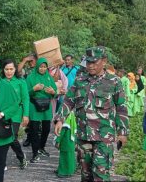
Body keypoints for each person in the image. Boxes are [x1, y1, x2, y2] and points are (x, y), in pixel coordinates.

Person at [54, 46, 129, 181]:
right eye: (88, 62)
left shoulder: (114, 82)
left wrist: (122, 132)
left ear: (104, 61)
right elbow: (68, 101)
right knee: (86, 175)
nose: (91, 66)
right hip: (84, 136)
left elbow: (121, 108)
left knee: (101, 175)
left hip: (103, 138)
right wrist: (60, 119)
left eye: (94, 62)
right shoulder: (80, 80)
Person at [26, 57, 57, 163]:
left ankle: (41, 147)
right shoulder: (31, 77)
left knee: (47, 129)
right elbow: (25, 93)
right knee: (34, 130)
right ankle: (35, 152)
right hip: (34, 105)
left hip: (46, 106)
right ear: (37, 66)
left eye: (44, 67)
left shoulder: (49, 77)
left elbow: (55, 92)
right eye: (41, 67)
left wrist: (53, 92)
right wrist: (34, 89)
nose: (42, 69)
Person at [1, 59, 29, 169]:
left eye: (11, 69)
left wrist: (25, 115)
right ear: (3, 70)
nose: (9, 72)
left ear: (15, 69)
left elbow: (25, 98)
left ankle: (21, 157)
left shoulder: (20, 81)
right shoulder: (0, 81)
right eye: (6, 69)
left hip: (16, 114)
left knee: (12, 137)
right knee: (2, 137)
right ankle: (2, 162)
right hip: (2, 114)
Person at [17, 53, 37, 147]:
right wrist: (24, 60)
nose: (30, 63)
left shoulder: (40, 69)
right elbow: (17, 71)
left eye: (31, 61)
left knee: (36, 123)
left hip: (37, 98)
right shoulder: (28, 70)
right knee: (29, 121)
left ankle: (36, 142)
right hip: (27, 96)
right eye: (29, 61)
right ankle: (29, 138)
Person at [54, 111, 77, 178]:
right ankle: (70, 170)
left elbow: (60, 134)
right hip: (71, 144)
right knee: (71, 158)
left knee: (64, 159)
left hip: (65, 144)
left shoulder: (65, 124)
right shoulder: (72, 122)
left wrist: (57, 141)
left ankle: (64, 172)